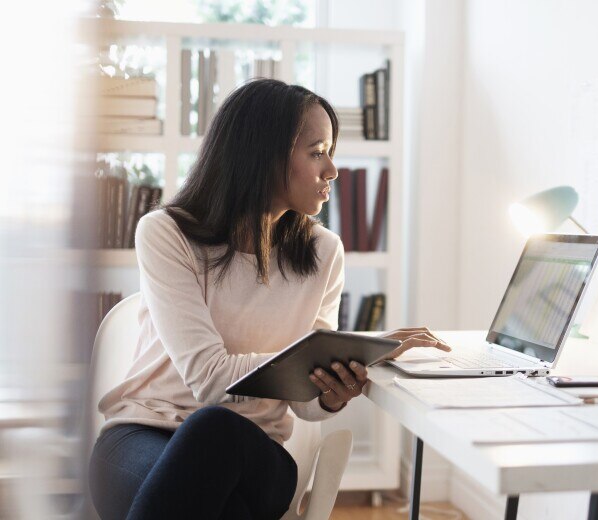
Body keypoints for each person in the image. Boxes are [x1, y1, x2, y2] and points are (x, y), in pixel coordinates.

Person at [88, 78, 451, 520]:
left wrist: (331, 391)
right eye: (317, 152)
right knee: (222, 497)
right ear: (262, 154)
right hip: (143, 434)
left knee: (217, 433)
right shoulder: (166, 233)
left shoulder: (323, 252)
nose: (332, 170)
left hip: (253, 451)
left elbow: (304, 403)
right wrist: (305, 361)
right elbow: (209, 379)